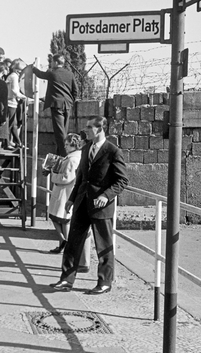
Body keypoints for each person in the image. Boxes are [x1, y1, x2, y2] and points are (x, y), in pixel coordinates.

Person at [51, 115, 128, 294]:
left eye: (89, 127)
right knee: (73, 243)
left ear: (100, 129)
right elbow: (81, 178)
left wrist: (106, 195)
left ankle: (105, 282)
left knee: (103, 245)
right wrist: (71, 199)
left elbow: (122, 180)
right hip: (82, 203)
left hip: (101, 206)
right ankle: (66, 280)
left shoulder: (113, 151)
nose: (85, 130)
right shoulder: (86, 149)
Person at [32, 53, 78, 157]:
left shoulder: (52, 72)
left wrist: (33, 69)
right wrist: (70, 101)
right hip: (67, 105)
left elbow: (40, 74)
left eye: (52, 61)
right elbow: (75, 90)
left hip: (57, 105)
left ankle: (64, 154)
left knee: (59, 133)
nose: (51, 64)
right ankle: (60, 153)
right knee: (64, 131)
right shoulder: (70, 74)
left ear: (56, 62)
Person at [48, 133, 81, 253]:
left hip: (64, 191)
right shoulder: (74, 157)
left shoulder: (72, 159)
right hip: (65, 191)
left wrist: (53, 175)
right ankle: (64, 242)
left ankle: (64, 241)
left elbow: (66, 177)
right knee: (62, 218)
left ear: (74, 146)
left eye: (67, 145)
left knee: (59, 217)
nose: (65, 147)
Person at [5, 59, 28, 148]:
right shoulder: (14, 77)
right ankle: (8, 143)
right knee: (11, 124)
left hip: (12, 103)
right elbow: (15, 91)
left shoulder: (12, 76)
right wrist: (24, 97)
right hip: (11, 103)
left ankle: (18, 143)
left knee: (13, 124)